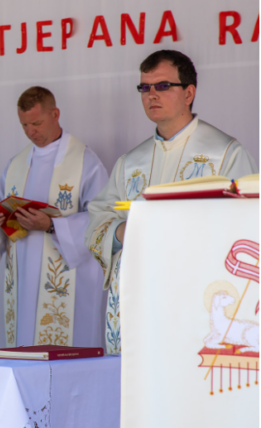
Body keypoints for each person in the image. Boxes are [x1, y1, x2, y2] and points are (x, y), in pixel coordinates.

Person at [85, 50, 258, 355]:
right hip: (138, 300)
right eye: (145, 87)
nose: (151, 94)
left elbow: (246, 227)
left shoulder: (225, 153)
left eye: (163, 86)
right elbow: (99, 219)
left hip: (193, 297)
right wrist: (122, 232)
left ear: (189, 92)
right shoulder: (130, 163)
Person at [0, 87, 109, 348]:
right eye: (24, 125)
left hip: (67, 283)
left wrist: (51, 225)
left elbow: (102, 221)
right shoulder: (16, 164)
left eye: (36, 123)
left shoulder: (85, 162)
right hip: (24, 282)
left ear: (55, 114)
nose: (30, 132)